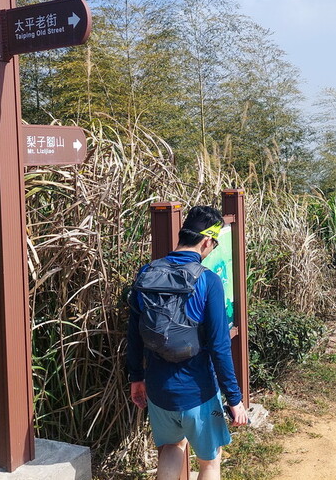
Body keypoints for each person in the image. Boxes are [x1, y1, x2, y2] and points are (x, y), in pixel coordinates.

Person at [127, 205, 248, 480]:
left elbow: (133, 334)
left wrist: (136, 377)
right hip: (198, 391)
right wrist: (234, 398)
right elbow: (219, 345)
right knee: (210, 461)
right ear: (207, 241)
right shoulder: (208, 280)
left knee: (171, 448)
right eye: (213, 244)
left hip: (158, 388)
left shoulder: (146, 273)